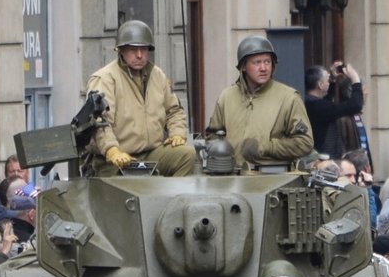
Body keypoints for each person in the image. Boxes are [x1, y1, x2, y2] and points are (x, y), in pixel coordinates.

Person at [85, 20, 195, 178]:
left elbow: (174, 110)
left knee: (187, 155)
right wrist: (111, 150)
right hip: (115, 160)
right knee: (129, 189)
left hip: (151, 154)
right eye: (133, 49)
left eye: (143, 49)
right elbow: (99, 120)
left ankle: (172, 199)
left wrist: (177, 133)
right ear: (121, 50)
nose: (139, 55)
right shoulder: (105, 78)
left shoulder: (157, 75)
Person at [208, 35, 313, 167]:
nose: (263, 68)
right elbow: (213, 136)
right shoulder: (227, 96)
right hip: (232, 176)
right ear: (243, 66)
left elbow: (305, 143)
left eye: (267, 62)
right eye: (257, 62)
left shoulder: (289, 98)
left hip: (271, 177)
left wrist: (266, 147)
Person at [304, 62, 364, 158]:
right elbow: (355, 105)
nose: (329, 82)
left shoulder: (310, 102)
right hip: (324, 160)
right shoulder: (318, 106)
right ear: (320, 85)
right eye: (327, 81)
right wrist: (355, 80)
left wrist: (332, 79)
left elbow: (326, 102)